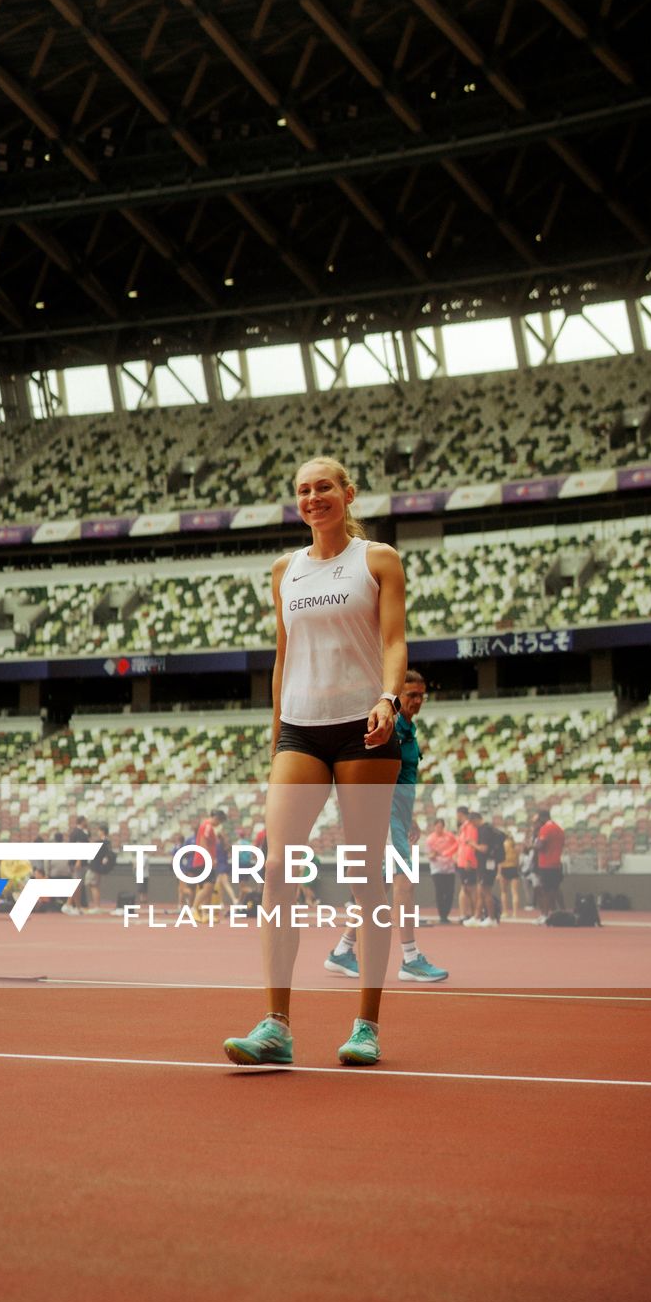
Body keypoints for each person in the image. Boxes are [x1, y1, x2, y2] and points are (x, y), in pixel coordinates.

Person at [224, 455, 407, 1069]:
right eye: (303, 490)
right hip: (301, 730)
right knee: (278, 867)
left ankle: (366, 1026)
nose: (313, 497)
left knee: (365, 875)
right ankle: (276, 1025)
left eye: (324, 486)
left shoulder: (378, 560)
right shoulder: (285, 570)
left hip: (364, 729)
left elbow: (394, 641)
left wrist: (388, 699)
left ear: (348, 493)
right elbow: (283, 657)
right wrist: (277, 733)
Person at [324, 670, 447, 983]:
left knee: (378, 887)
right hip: (385, 811)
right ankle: (410, 958)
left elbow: (403, 777)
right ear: (397, 696)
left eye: (421, 695)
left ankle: (342, 950)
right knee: (405, 878)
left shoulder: (409, 729)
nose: (418, 701)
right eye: (411, 695)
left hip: (398, 815)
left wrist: (409, 817)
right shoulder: (387, 726)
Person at [531, 808, 567, 919]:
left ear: (543, 818)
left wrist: (531, 846)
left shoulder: (545, 828)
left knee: (545, 890)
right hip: (556, 862)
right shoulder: (559, 828)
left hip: (546, 863)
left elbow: (540, 846)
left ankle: (545, 915)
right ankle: (561, 912)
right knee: (555, 889)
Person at [426, 814, 458, 923]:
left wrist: (455, 857)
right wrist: (433, 855)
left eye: (441, 827)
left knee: (450, 892)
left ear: (443, 827)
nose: (439, 829)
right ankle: (442, 915)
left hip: (449, 868)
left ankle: (446, 913)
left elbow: (456, 847)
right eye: (437, 826)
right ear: (434, 827)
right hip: (437, 869)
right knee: (440, 891)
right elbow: (429, 854)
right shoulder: (430, 839)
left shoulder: (450, 836)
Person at [498, 819, 525, 918]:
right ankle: (515, 913)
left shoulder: (501, 846)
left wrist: (498, 873)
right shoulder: (515, 847)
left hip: (504, 868)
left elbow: (500, 860)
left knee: (504, 892)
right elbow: (518, 861)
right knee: (515, 892)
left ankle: (505, 912)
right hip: (513, 869)